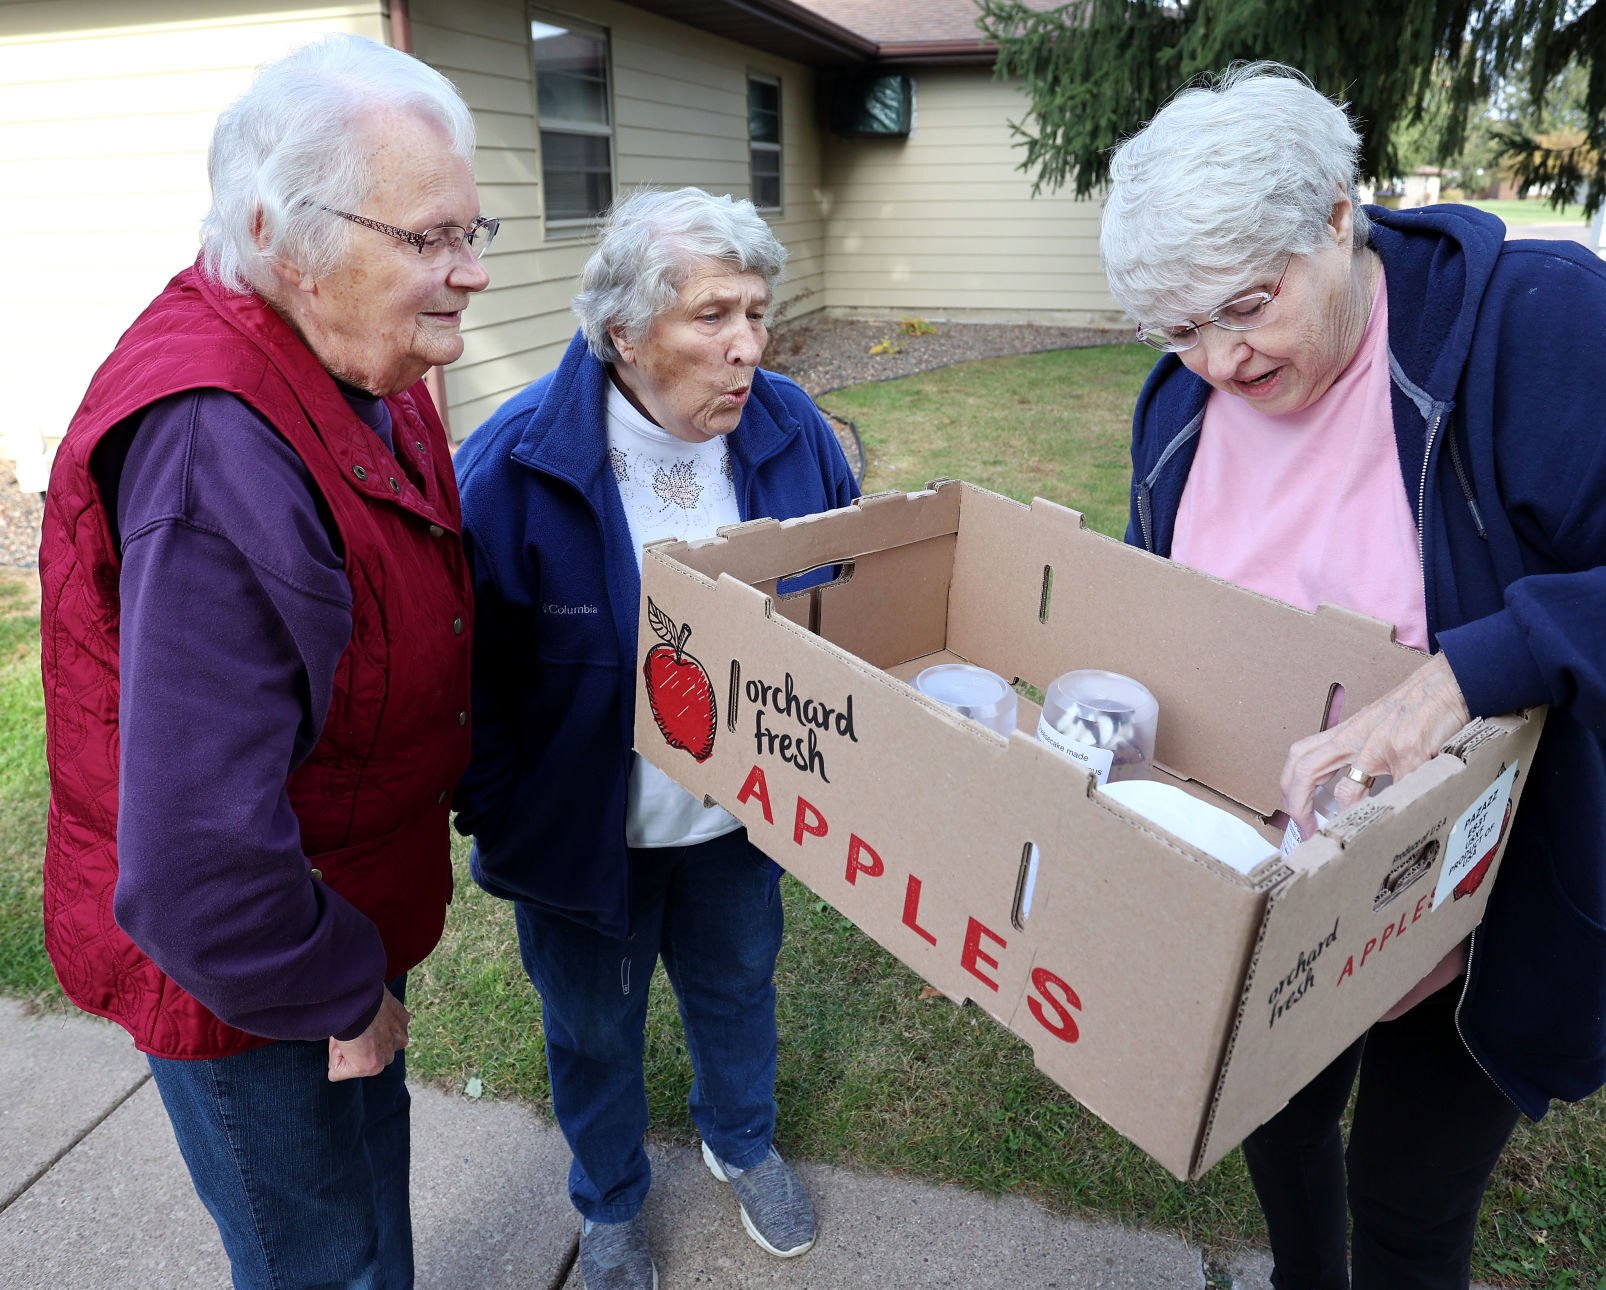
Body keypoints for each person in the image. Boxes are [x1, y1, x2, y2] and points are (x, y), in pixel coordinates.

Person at [1100, 62, 1606, 1290]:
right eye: (1177, 329)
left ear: (1339, 214)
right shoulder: (1174, 405)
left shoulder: (1540, 320)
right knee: (1274, 1129)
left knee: (1409, 1203)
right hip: (1264, 885)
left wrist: (1462, 675)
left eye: (1246, 306)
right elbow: (1151, 604)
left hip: (1486, 898)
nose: (1216, 361)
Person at [38, 34, 492, 1288]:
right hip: (256, 973)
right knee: (323, 1265)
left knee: (367, 1222)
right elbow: (197, 872)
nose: (471, 274)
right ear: (279, 231)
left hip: (339, 903)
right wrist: (345, 995)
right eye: (430, 239)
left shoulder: (361, 351)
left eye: (475, 229)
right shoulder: (211, 449)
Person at [453, 186, 858, 1290]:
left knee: (738, 984)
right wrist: (501, 805)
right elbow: (463, 671)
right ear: (624, 331)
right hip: (583, 831)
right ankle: (612, 1202)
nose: (747, 349)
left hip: (736, 815)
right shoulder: (513, 464)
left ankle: (741, 1141)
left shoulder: (788, 426)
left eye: (757, 315)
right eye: (713, 316)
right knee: (590, 1027)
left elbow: (838, 588)